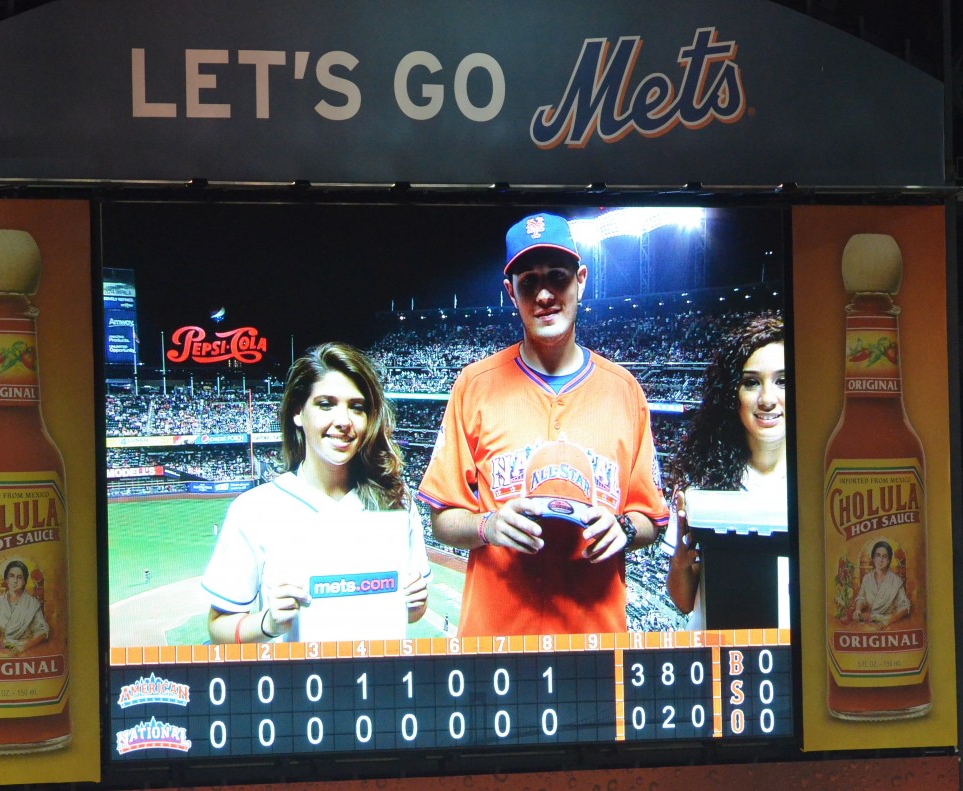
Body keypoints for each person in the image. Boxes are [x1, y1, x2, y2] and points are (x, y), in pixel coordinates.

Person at [419, 212, 669, 637]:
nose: (545, 294)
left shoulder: (625, 391)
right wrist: (488, 525)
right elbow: (442, 518)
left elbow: (650, 518)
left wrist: (625, 528)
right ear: (510, 292)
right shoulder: (473, 385)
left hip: (596, 642)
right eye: (529, 282)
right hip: (494, 644)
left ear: (581, 280)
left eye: (557, 276)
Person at [203, 342, 430, 643]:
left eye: (357, 407)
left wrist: (416, 603)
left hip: (377, 683)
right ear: (298, 412)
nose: (343, 421)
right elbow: (218, 626)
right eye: (326, 404)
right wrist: (268, 622)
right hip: (294, 687)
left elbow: (412, 612)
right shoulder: (254, 509)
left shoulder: (395, 502)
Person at [664, 313, 785, 627]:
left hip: (786, 660)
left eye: (783, 381)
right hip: (714, 658)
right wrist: (680, 560)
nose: (767, 399)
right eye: (751, 382)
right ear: (734, 394)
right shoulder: (701, 482)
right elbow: (684, 601)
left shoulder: (819, 480)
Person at [0, 560, 50, 655]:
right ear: (6, 579)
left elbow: (43, 631)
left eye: (19, 577)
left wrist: (22, 647)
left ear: (24, 581)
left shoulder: (32, 604)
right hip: (2, 647)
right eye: (11, 576)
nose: (15, 581)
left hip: (26, 650)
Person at [853, 540, 910, 628]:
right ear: (873, 558)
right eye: (878, 555)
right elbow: (861, 597)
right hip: (868, 620)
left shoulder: (896, 581)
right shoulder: (867, 578)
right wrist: (857, 610)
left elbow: (904, 607)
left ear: (888, 560)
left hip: (889, 623)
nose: (881, 560)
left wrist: (887, 622)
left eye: (884, 556)